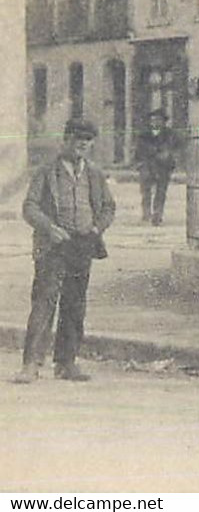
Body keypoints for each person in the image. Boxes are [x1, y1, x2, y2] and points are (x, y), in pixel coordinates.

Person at [14, 119, 116, 383]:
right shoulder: (47, 171)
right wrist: (49, 228)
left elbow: (108, 207)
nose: (82, 144)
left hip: (82, 245)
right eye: (77, 138)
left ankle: (66, 363)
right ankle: (31, 364)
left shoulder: (94, 173)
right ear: (66, 140)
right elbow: (30, 207)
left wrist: (96, 229)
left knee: (75, 305)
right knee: (44, 302)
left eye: (87, 140)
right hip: (53, 246)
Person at [133, 107, 183, 226]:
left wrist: (170, 155)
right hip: (147, 165)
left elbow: (176, 147)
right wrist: (141, 162)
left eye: (158, 120)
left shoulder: (170, 134)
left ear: (163, 122)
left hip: (163, 167)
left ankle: (157, 213)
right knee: (146, 191)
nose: (155, 122)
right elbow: (139, 149)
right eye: (153, 120)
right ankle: (146, 213)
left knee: (161, 191)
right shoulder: (144, 134)